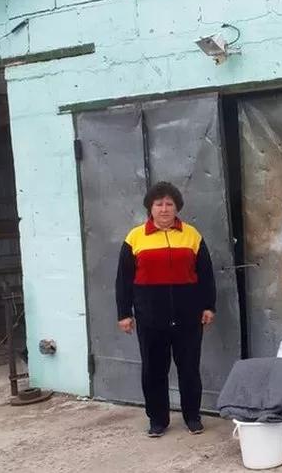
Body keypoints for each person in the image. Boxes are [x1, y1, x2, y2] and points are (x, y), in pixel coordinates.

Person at [115, 181, 217, 437]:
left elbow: (206, 274)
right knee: (153, 370)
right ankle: (157, 420)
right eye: (158, 204)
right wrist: (124, 313)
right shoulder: (135, 237)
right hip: (150, 317)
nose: (164, 209)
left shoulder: (192, 235)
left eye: (169, 204)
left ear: (177, 207)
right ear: (150, 208)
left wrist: (208, 306)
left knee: (189, 369)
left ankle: (192, 417)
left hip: (188, 316)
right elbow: (123, 279)